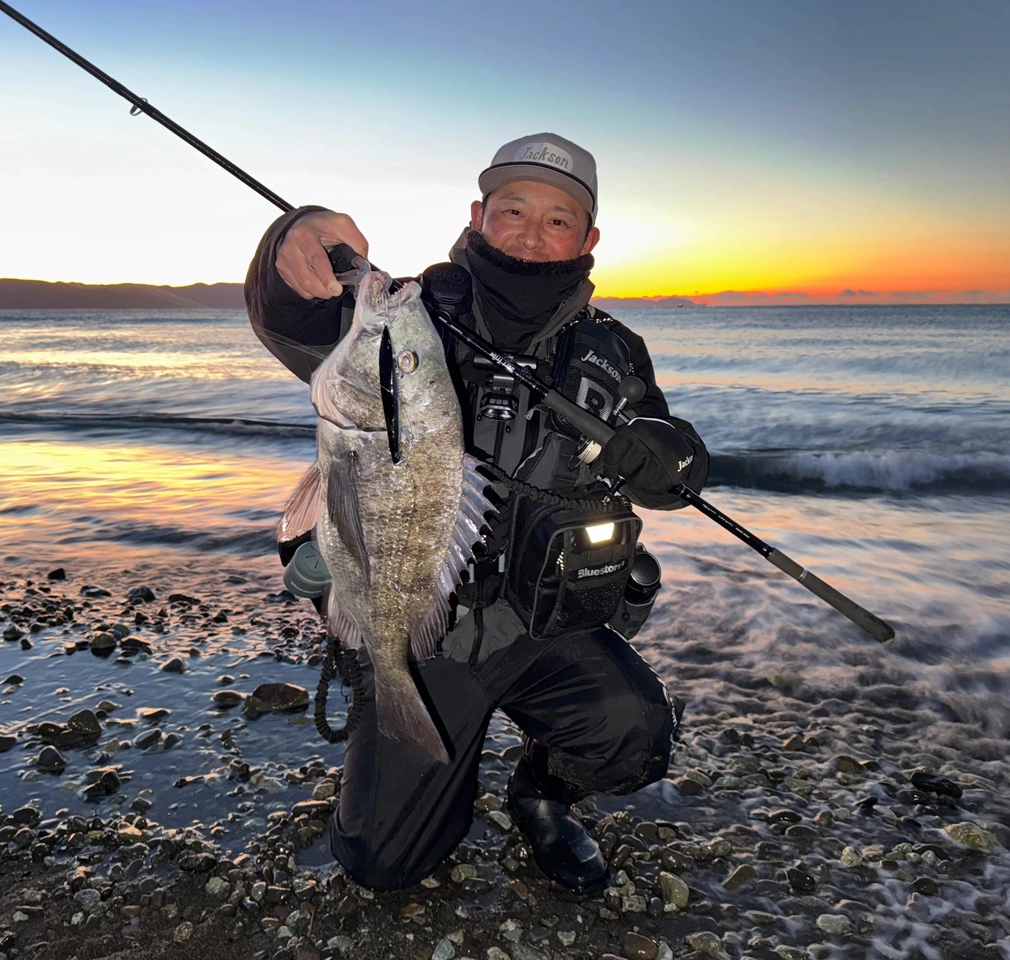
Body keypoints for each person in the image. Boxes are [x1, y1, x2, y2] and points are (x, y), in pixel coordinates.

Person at [245, 134, 709, 895]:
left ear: (588, 240)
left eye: (558, 219)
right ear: (478, 216)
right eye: (513, 209)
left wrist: (670, 456)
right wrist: (295, 237)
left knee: (634, 735)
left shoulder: (615, 349)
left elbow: (671, 464)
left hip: (546, 628)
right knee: (382, 864)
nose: (532, 231)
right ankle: (405, 717)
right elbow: (295, 314)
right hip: (427, 628)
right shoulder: (412, 315)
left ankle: (542, 791)